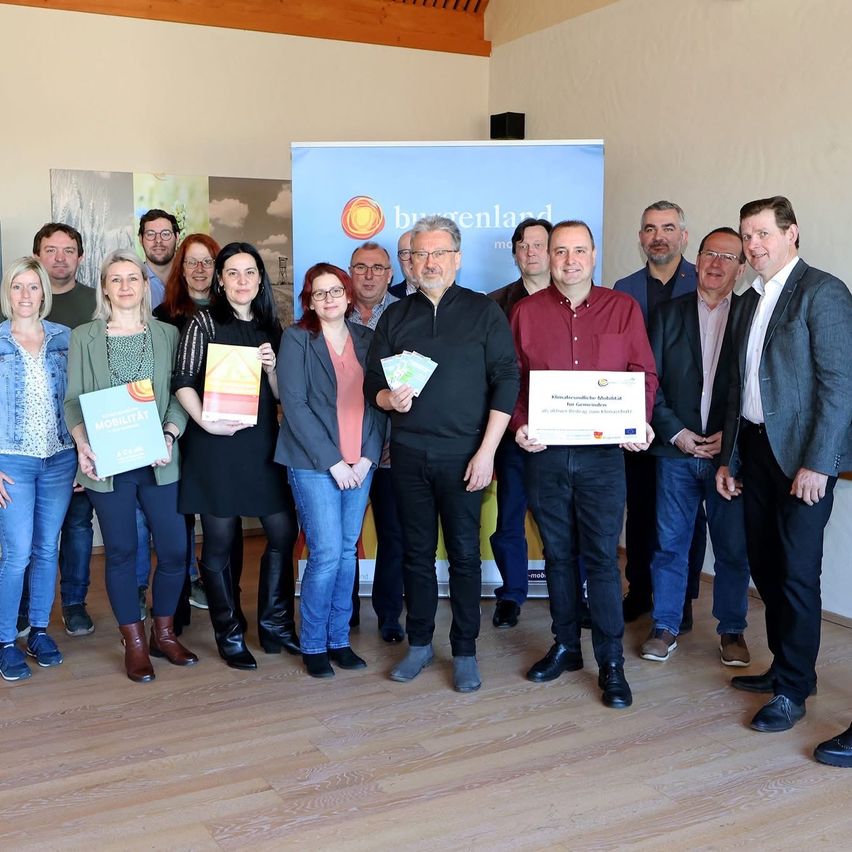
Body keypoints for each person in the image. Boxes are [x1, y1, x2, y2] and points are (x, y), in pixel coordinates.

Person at [365, 215, 519, 693]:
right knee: (416, 554)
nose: (428, 263)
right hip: (408, 454)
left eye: (439, 254)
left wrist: (488, 451)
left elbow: (507, 380)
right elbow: (373, 383)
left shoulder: (483, 311)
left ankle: (466, 650)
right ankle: (418, 644)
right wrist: (388, 400)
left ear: (456, 258)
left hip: (466, 455)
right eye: (420, 255)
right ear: (410, 261)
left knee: (465, 557)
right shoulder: (395, 315)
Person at [716, 196, 852, 732]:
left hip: (803, 461)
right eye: (747, 237)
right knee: (767, 567)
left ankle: (794, 690)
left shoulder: (823, 292)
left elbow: (840, 387)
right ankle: (785, 668)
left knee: (796, 574)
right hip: (754, 451)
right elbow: (736, 388)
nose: (753, 246)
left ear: (792, 234)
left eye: (763, 234)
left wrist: (820, 463)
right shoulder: (748, 299)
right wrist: (729, 456)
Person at [511, 220, 658, 709]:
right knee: (557, 556)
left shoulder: (622, 308)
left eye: (579, 251)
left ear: (594, 254)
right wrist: (519, 424)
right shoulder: (525, 313)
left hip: (602, 461)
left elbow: (642, 373)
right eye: (560, 251)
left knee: (599, 557)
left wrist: (639, 421)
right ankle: (566, 646)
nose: (569, 260)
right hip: (545, 456)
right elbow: (510, 380)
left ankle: (611, 663)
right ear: (547, 257)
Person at [64, 250, 197, 682]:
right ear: (104, 287)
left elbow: (180, 395)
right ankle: (135, 642)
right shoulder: (85, 337)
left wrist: (170, 434)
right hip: (109, 464)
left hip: (159, 461)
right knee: (121, 552)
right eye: (115, 279)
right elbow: (73, 400)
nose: (125, 286)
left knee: (176, 550)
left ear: (144, 286)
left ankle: (163, 633)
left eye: (133, 279)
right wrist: (83, 444)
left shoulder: (166, 335)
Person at [173, 242, 299, 670]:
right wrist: (205, 422)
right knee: (221, 543)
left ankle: (275, 624)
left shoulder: (271, 328)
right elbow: (182, 381)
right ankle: (229, 631)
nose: (242, 280)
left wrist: (271, 369)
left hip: (262, 445)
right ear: (220, 280)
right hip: (215, 446)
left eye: (250, 272)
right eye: (233, 272)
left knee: (283, 531)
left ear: (260, 279)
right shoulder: (203, 322)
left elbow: (283, 395)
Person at [641, 228, 751, 665]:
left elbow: (759, 389)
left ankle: (732, 630)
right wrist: (677, 434)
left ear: (741, 268)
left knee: (731, 547)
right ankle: (665, 625)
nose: (716, 263)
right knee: (670, 544)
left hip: (731, 455)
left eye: (728, 256)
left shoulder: (752, 314)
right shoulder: (667, 314)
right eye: (709, 253)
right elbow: (651, 384)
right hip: (676, 453)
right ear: (696, 258)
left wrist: (732, 436)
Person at [276, 263, 385, 678]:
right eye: (319, 293)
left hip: (362, 462)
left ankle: (339, 640)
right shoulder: (297, 339)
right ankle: (314, 643)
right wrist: (335, 463)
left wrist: (369, 457)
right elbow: (295, 406)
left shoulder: (368, 338)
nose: (329, 298)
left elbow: (380, 400)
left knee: (345, 551)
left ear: (348, 293)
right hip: (314, 463)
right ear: (309, 299)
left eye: (335, 290)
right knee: (324, 553)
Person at [614, 201, 707, 626]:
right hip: (636, 418)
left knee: (688, 516)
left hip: (687, 421)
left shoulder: (702, 281)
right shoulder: (624, 286)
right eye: (650, 228)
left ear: (683, 236)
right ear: (641, 238)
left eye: (668, 228)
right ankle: (639, 589)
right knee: (641, 507)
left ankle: (681, 598)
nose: (659, 236)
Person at [0, 258, 77, 682]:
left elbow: (81, 396)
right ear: (7, 293)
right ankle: (6, 640)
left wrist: (84, 453)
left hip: (59, 459)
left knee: (48, 549)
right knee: (16, 554)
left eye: (33, 287)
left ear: (44, 293)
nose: (26, 295)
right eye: (18, 287)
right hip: (11, 462)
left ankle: (40, 632)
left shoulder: (65, 338)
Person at [23, 223, 98, 637]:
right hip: (25, 444)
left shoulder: (94, 304)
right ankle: (24, 610)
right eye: (50, 250)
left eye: (69, 250)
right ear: (37, 255)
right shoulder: (19, 302)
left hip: (79, 439)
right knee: (27, 530)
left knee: (77, 525)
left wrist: (90, 443)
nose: (60, 258)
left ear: (80, 256)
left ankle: (73, 603)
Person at [154, 233, 229, 614]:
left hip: (219, 429)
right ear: (180, 269)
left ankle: (210, 587)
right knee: (177, 513)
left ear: (218, 269)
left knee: (216, 514)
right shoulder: (163, 316)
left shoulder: (233, 311)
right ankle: (178, 593)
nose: (199, 269)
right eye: (191, 262)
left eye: (207, 262)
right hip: (176, 426)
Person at [487, 217, 552, 628]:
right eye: (522, 245)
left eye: (538, 245)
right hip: (514, 429)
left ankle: (569, 591)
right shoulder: (493, 304)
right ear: (514, 253)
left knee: (560, 522)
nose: (530, 252)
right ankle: (511, 593)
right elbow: (490, 372)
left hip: (566, 434)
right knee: (509, 518)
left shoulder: (577, 300)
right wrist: (513, 425)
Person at [348, 242, 405, 643]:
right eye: (361, 267)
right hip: (344, 446)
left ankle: (389, 615)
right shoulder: (328, 312)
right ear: (350, 273)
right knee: (341, 538)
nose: (369, 275)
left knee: (394, 536)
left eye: (378, 268)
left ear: (390, 274)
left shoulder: (407, 314)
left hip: (391, 447)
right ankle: (344, 611)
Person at [139, 208, 180, 309]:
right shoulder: (133, 283)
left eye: (165, 234)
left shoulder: (191, 279)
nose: (158, 240)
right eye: (150, 234)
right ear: (141, 239)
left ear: (177, 238)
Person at [389, 230, 416, 298]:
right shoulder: (388, 296)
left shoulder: (445, 294)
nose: (412, 260)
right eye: (405, 253)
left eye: (419, 253)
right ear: (399, 259)